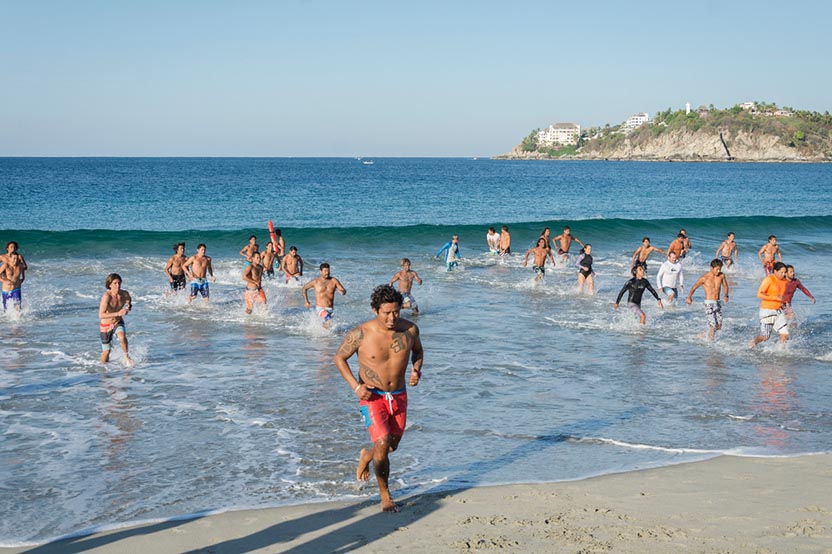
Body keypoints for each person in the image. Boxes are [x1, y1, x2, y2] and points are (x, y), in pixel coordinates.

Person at [333, 284, 423, 512]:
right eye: (386, 313)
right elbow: (339, 359)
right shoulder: (360, 333)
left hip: (399, 395)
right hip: (372, 396)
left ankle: (366, 455)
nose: (392, 317)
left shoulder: (410, 330)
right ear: (375, 310)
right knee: (382, 442)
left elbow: (418, 352)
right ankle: (385, 496)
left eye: (396, 311)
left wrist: (416, 370)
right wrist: (356, 387)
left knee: (391, 446)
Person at [686, 259, 730, 341]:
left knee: (719, 326)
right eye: (717, 269)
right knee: (712, 325)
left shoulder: (721, 276)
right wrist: (689, 297)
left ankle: (704, 335)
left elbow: (726, 286)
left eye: (720, 269)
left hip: (718, 303)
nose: (718, 271)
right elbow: (694, 287)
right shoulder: (704, 278)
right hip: (708, 304)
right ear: (711, 268)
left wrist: (726, 295)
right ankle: (711, 344)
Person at [751, 262, 789, 348]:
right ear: (775, 271)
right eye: (781, 272)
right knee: (765, 337)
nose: (783, 274)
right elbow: (760, 294)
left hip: (779, 311)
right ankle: (754, 342)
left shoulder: (784, 281)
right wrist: (775, 298)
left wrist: (784, 305)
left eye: (785, 272)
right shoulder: (769, 279)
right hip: (767, 310)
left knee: (785, 334)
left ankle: (780, 351)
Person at [99, 273, 133, 366]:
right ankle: (104, 370)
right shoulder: (106, 297)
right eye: (115, 283)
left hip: (118, 321)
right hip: (105, 325)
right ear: (109, 285)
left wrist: (128, 308)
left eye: (119, 283)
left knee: (122, 337)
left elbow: (129, 303)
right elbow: (101, 315)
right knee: (106, 352)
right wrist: (118, 313)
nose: (117, 285)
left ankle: (126, 357)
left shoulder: (125, 294)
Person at [302, 262, 346, 328]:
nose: (327, 273)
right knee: (328, 320)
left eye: (328, 271)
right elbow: (304, 288)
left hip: (330, 309)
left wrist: (342, 292)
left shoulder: (334, 281)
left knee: (327, 326)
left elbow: (343, 290)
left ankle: (324, 337)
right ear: (320, 271)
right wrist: (306, 301)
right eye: (325, 271)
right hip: (320, 308)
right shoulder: (315, 282)